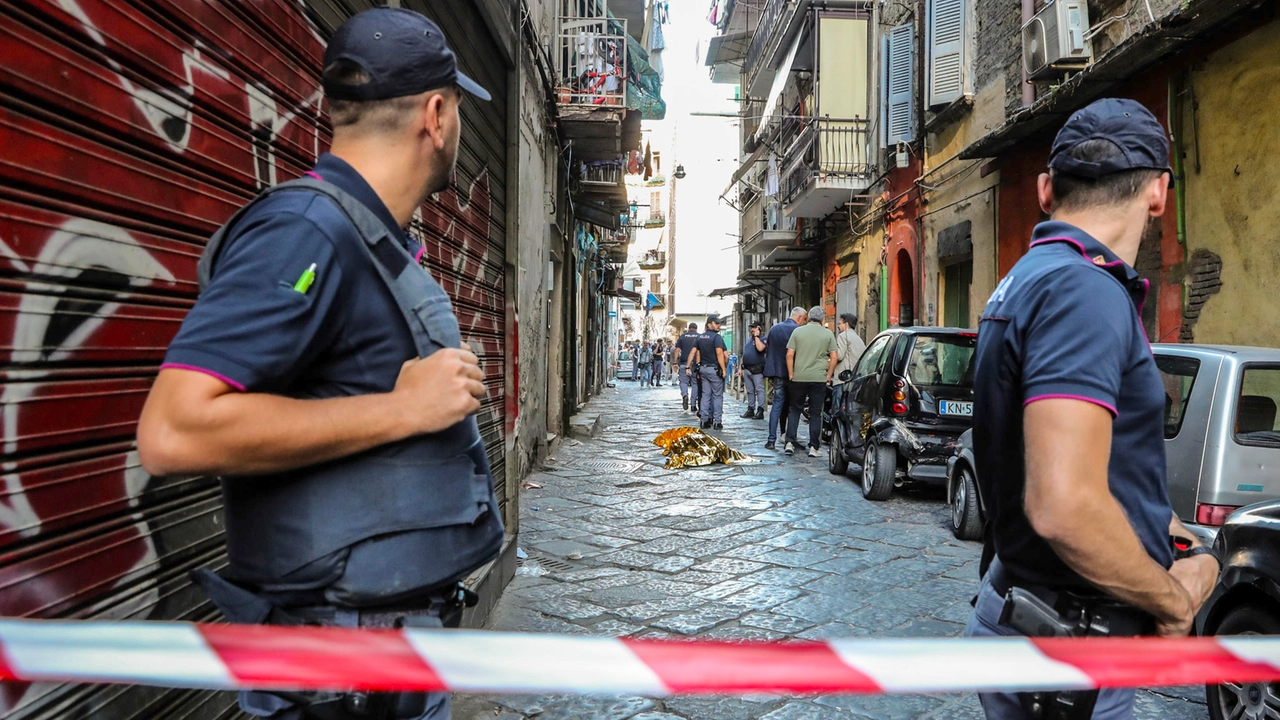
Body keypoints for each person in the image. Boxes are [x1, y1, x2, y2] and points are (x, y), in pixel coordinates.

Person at [135, 9, 503, 719]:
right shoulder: (306, 232)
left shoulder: (365, 238)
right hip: (333, 681)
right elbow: (174, 431)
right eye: (457, 111)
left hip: (374, 666)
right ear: (437, 113)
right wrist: (404, 408)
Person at [964, 98, 1220, 720]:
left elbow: (1098, 476)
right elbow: (1065, 506)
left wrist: (1185, 547)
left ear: (1047, 189)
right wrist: (1171, 601)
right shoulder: (1084, 291)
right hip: (1070, 651)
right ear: (1159, 193)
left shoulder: (1031, 277)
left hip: (1038, 622)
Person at [785, 306, 837, 458]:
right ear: (822, 319)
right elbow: (834, 357)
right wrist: (828, 375)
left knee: (794, 410)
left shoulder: (797, 331)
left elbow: (789, 354)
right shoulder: (828, 334)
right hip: (818, 378)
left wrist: (791, 373)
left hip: (799, 377)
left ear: (808, 318)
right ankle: (814, 447)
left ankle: (789, 442)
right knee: (816, 413)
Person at [763, 307, 807, 450]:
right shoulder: (799, 331)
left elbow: (769, 350)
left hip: (777, 373)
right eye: (804, 319)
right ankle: (789, 437)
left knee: (777, 405)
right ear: (799, 317)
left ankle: (771, 439)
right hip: (793, 373)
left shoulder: (774, 329)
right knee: (793, 407)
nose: (804, 322)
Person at [687, 315, 728, 429]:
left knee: (705, 395)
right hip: (714, 369)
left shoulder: (700, 338)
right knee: (717, 396)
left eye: (719, 323)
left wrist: (694, 367)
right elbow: (721, 353)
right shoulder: (717, 337)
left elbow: (695, 353)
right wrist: (723, 369)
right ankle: (717, 422)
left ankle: (704, 420)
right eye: (716, 323)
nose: (719, 325)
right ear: (709, 324)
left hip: (703, 369)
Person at [831, 313, 865, 412]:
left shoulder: (843, 336)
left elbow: (839, 356)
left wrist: (830, 353)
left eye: (840, 323)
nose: (838, 326)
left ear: (846, 324)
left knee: (837, 408)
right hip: (855, 378)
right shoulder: (858, 338)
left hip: (843, 378)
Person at [740, 321, 767, 419]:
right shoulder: (748, 340)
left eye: (754, 328)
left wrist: (756, 337)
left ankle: (760, 410)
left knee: (759, 390)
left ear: (759, 328)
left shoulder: (763, 339)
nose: (752, 330)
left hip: (757, 369)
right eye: (751, 328)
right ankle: (750, 409)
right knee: (750, 391)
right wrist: (740, 367)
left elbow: (760, 349)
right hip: (747, 369)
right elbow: (745, 353)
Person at [675, 323, 699, 411]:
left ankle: (685, 395)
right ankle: (693, 404)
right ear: (696, 329)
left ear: (688, 328)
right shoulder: (699, 337)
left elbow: (677, 350)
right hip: (695, 364)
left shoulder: (682, 337)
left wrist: (674, 363)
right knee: (695, 383)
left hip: (684, 363)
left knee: (683, 382)